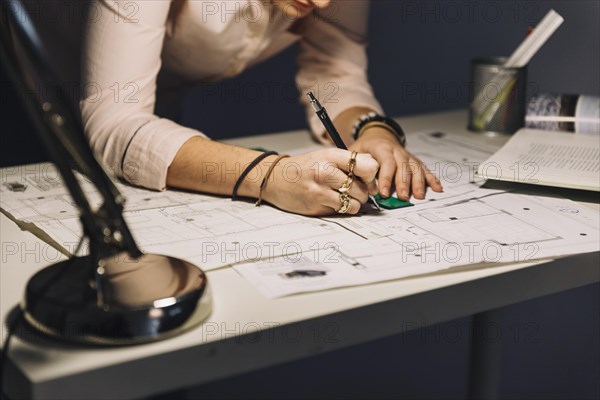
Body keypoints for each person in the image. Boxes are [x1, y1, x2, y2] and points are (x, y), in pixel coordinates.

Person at [81, 0, 443, 216]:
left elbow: (333, 73)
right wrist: (268, 176)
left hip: (160, 101)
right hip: (62, 80)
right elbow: (116, 119)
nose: (322, 3)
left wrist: (372, 129)